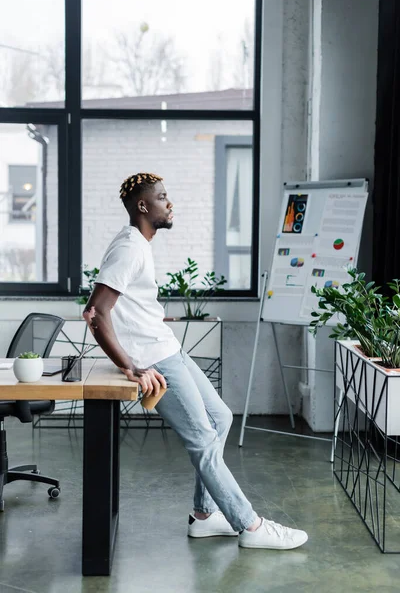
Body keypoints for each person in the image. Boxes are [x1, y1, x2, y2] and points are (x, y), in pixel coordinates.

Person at [83, 172, 308, 550]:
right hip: (155, 361)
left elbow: (126, 305)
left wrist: (152, 319)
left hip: (169, 348)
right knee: (203, 441)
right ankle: (250, 526)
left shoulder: (138, 243)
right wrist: (130, 365)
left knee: (220, 417)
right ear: (143, 206)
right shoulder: (130, 247)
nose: (169, 203)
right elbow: (96, 313)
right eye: (162, 197)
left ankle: (203, 516)